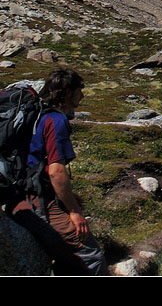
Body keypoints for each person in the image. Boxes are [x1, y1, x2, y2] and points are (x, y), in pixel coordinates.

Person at [12, 68, 108, 275]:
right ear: (66, 93)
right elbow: (56, 171)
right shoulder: (56, 120)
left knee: (67, 259)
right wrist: (74, 211)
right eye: (78, 90)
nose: (82, 95)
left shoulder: (37, 115)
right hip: (36, 201)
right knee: (91, 256)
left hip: (18, 197)